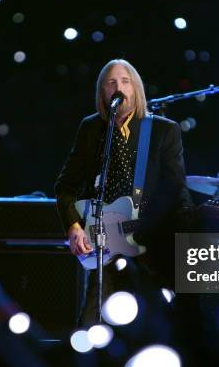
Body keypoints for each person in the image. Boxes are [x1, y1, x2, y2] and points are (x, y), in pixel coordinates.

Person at [55, 59, 198, 325]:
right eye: (111, 82)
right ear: (103, 92)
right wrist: (73, 225)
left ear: (136, 89)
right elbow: (65, 185)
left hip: (150, 246)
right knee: (92, 326)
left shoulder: (163, 131)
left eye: (124, 81)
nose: (117, 87)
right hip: (102, 245)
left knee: (156, 327)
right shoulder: (91, 128)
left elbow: (176, 190)